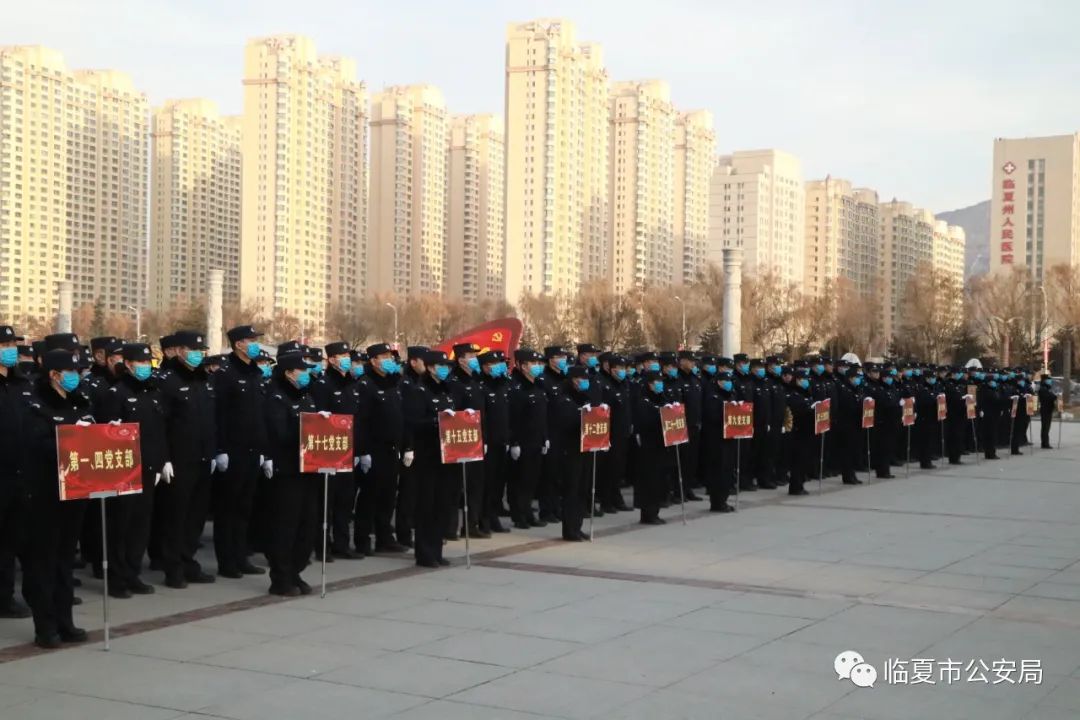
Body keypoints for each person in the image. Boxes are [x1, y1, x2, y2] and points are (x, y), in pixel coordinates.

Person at [21, 349, 93, 648]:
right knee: (43, 561)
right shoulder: (35, 405)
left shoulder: (80, 402)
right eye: (69, 371)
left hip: (74, 492)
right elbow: (36, 445)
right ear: (53, 374)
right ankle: (45, 625)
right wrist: (70, 437)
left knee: (65, 560)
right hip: (44, 493)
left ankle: (65, 620)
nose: (75, 376)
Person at [97, 343, 170, 597]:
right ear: (128, 364)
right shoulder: (116, 393)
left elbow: (160, 430)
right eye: (140, 363)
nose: (145, 367)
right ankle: (117, 578)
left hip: (148, 468)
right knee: (121, 525)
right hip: (124, 470)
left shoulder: (152, 392)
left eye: (148, 363)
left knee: (141, 525)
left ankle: (132, 572)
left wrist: (163, 460)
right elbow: (106, 433)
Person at [156, 331, 217, 588]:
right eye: (193, 350)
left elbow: (211, 419)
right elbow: (161, 424)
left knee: (196, 516)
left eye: (201, 351)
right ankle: (173, 568)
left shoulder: (203, 378)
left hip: (202, 457)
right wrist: (164, 458)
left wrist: (213, 451)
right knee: (176, 516)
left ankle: (189, 561)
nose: (198, 355)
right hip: (180, 460)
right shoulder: (167, 381)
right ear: (179, 351)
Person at [213, 326, 270, 579]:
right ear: (237, 344)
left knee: (245, 506)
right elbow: (219, 414)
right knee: (228, 508)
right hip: (232, 450)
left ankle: (240, 555)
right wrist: (221, 449)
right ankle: (227, 561)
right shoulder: (226, 373)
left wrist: (262, 450)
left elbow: (259, 415)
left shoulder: (255, 372)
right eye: (249, 340)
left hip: (252, 449)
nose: (254, 345)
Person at [262, 352, 320, 596]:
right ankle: (280, 577)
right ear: (288, 372)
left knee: (307, 525)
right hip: (287, 470)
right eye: (302, 370)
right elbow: (280, 434)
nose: (306, 374)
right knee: (286, 525)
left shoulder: (306, 395)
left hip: (308, 469)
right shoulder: (275, 397)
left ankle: (295, 571)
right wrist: (308, 426)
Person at [355, 343, 410, 554]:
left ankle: (384, 536)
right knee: (370, 496)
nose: (389, 359)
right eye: (384, 356)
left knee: (388, 496)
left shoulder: (393, 384)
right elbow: (361, 422)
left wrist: (405, 446)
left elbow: (399, 417)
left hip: (391, 449)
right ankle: (362, 539)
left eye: (390, 355)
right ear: (374, 360)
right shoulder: (366, 385)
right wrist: (363, 451)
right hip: (373, 449)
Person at [403, 350, 456, 568]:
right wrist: (437, 421)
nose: (445, 370)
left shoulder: (446, 391)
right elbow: (413, 422)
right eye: (441, 366)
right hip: (426, 456)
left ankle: (437, 549)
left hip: (445, 455)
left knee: (442, 504)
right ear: (431, 368)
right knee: (427, 504)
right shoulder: (419, 391)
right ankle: (424, 553)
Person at [312, 341, 362, 560]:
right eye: (342, 355)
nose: (346, 359)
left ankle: (342, 544)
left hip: (348, 450)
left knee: (345, 500)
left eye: (347, 355)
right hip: (329, 450)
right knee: (326, 501)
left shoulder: (351, 384)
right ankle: (322, 545)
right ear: (331, 359)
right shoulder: (322, 385)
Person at [0, 326, 32, 618]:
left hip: (21, 476)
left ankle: (5, 597)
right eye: (5, 344)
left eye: (12, 343)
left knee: (12, 540)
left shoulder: (23, 383)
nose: (11, 349)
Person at [448, 343, 489, 539]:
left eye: (475, 354)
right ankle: (450, 527)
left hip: (477, 440)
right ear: (461, 359)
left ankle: (471, 525)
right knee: (455, 486)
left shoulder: (476, 380)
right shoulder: (454, 382)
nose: (474, 358)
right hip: (459, 441)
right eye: (471, 355)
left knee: (475, 484)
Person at [551, 366, 594, 541]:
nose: (584, 382)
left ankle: (578, 525)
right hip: (569, 448)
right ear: (573, 380)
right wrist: (583, 414)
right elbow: (567, 420)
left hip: (584, 447)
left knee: (583, 488)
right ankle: (569, 529)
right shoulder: (562, 396)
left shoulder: (583, 396)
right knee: (572, 489)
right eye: (581, 378)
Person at [508, 349, 549, 528]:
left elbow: (543, 416)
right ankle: (519, 515)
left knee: (533, 479)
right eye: (533, 363)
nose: (538, 366)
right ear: (523, 366)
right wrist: (514, 443)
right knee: (521, 480)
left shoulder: (538, 386)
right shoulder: (517, 389)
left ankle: (529, 513)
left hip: (536, 441)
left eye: (539, 363)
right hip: (522, 442)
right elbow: (514, 419)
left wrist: (545, 438)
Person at [395, 346, 427, 548]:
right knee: (408, 492)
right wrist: (408, 446)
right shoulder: (404, 384)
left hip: (424, 445)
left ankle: (417, 527)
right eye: (425, 361)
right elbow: (406, 419)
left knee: (420, 492)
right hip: (411, 445)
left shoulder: (421, 383)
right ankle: (403, 533)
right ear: (413, 362)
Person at [632, 370, 671, 525]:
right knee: (649, 480)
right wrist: (661, 413)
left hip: (662, 444)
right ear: (649, 384)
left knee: (659, 479)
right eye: (656, 382)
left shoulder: (662, 398)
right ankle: (647, 513)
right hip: (648, 446)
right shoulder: (643, 401)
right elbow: (645, 422)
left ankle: (655, 511)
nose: (660, 385)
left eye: (661, 382)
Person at [478, 350, 511, 533]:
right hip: (487, 442)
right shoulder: (482, 386)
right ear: (485, 367)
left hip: (501, 440)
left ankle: (493, 516)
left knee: (498, 482)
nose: (499, 366)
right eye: (494, 363)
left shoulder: (502, 385)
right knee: (487, 483)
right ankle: (484, 519)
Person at [597, 353, 633, 513]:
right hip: (610, 434)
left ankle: (616, 497)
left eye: (624, 368)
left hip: (623, 433)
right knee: (608, 469)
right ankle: (607, 501)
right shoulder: (605, 385)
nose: (622, 370)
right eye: (618, 367)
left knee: (619, 468)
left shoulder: (625, 384)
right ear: (610, 369)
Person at [701, 368, 739, 512]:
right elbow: (712, 417)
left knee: (728, 470)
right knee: (718, 470)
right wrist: (728, 410)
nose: (729, 383)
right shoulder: (713, 397)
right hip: (717, 440)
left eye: (730, 381)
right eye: (726, 381)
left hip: (730, 438)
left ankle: (724, 499)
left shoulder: (731, 395)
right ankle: (717, 502)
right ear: (718, 382)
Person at [784, 364, 814, 495]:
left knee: (804, 460)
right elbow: (798, 411)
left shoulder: (806, 393)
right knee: (798, 460)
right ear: (797, 380)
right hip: (797, 432)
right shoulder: (793, 395)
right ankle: (795, 486)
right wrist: (810, 409)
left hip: (807, 431)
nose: (807, 381)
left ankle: (800, 484)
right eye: (804, 379)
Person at [1038, 374, 1058, 449]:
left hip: (1048, 409)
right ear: (1044, 380)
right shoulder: (1043, 389)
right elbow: (1049, 397)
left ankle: (1045, 442)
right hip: (1045, 410)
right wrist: (1055, 396)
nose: (1050, 381)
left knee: (1046, 427)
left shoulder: (1047, 388)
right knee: (1045, 427)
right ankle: (1045, 443)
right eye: (1048, 380)